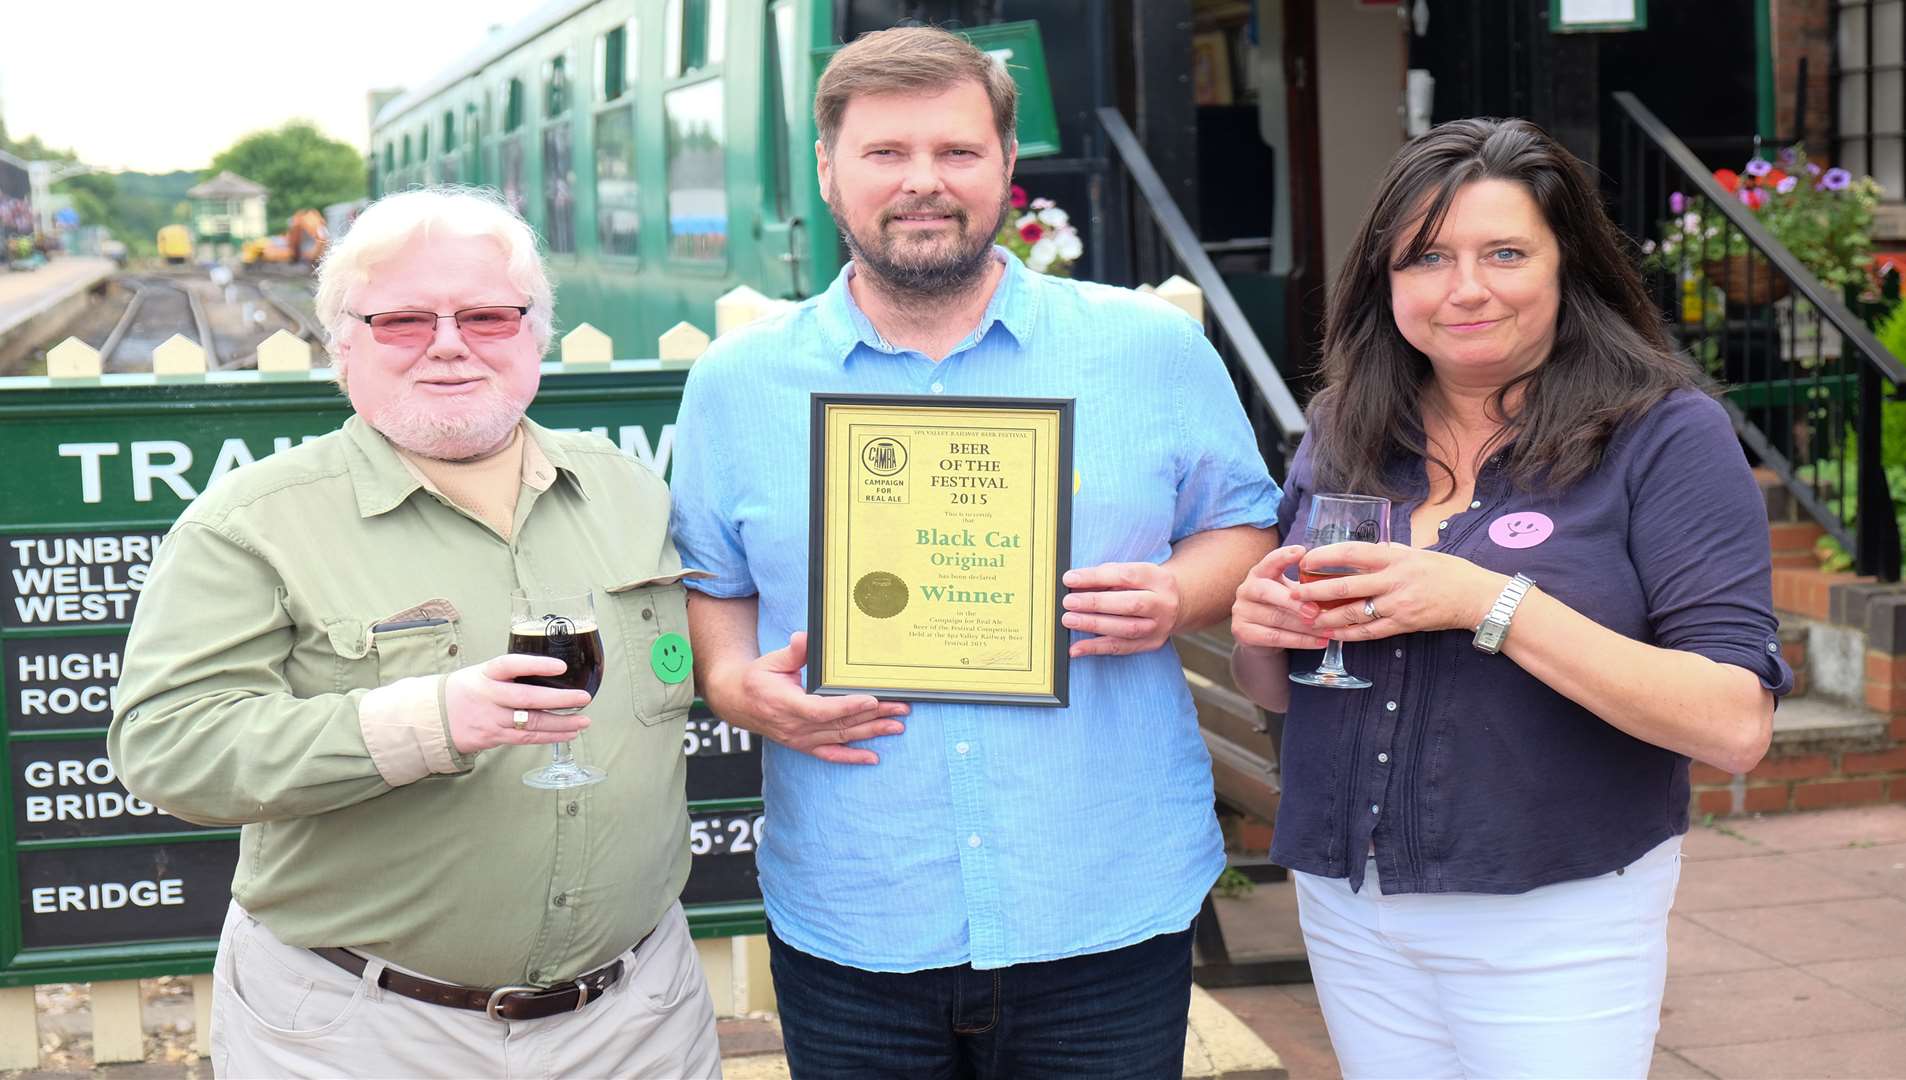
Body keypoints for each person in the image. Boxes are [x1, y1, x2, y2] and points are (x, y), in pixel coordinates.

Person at [669, 25, 1278, 1078]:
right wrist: (729, 681)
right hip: (858, 907)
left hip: (1102, 896)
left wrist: (1177, 594)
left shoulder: (1149, 350)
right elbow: (713, 582)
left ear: (1004, 166)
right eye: (886, 154)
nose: (923, 184)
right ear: (829, 170)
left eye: (956, 152)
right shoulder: (738, 382)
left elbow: (1244, 524)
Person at [108, 188, 720, 1079]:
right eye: (401, 320)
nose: (448, 342)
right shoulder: (250, 523)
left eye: (486, 315)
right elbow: (166, 746)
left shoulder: (629, 491)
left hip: (635, 1020)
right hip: (366, 1029)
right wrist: (424, 724)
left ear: (534, 336)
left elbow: (681, 659)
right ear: (342, 346)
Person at [1228, 118, 1788, 1078]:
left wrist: (1490, 602)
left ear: (1570, 266)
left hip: (1554, 913)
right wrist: (1259, 629)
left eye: (1505, 253)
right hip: (1352, 902)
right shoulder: (1345, 424)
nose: (1466, 288)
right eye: (1428, 258)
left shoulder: (1664, 435)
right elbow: (1284, 690)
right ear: (1386, 283)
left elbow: (1733, 723)